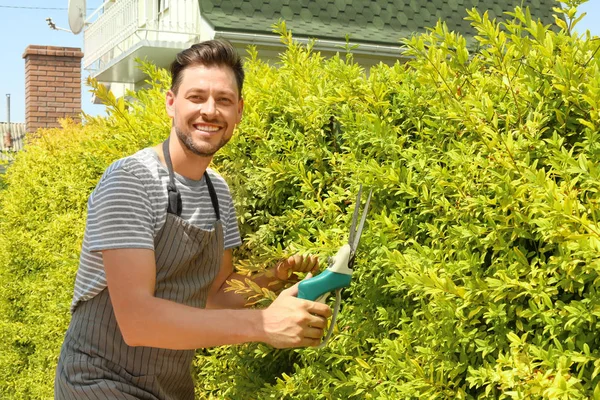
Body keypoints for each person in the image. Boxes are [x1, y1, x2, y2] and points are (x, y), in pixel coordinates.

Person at [54, 39, 332, 400]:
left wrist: (272, 281)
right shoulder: (131, 181)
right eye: (196, 97)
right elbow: (137, 321)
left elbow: (213, 296)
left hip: (170, 387)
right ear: (171, 103)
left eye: (224, 100)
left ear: (239, 111)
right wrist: (262, 324)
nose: (210, 111)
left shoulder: (217, 191)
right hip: (98, 381)